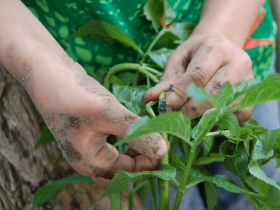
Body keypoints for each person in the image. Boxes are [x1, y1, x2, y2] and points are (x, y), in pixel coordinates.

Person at [0, 0, 277, 209]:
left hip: (232, 65)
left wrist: (222, 31)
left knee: (262, 185)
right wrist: (44, 70)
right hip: (104, 110)